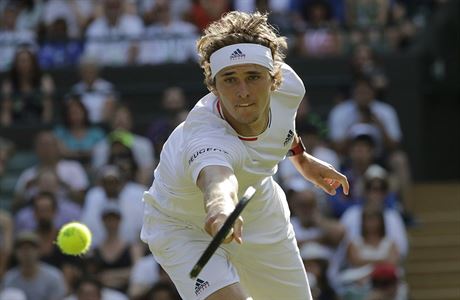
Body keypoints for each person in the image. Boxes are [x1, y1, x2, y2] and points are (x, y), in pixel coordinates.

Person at [140, 11, 349, 300]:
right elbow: (217, 181)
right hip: (181, 228)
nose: (243, 92)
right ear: (213, 86)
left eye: (253, 77)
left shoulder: (291, 87)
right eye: (229, 79)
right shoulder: (205, 133)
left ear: (274, 79)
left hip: (258, 208)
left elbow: (280, 125)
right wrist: (220, 209)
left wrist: (301, 157)